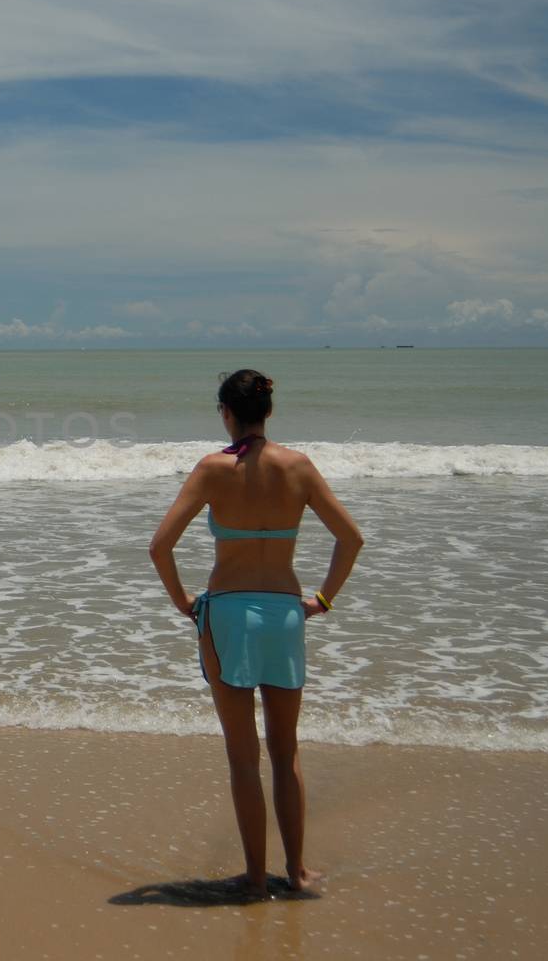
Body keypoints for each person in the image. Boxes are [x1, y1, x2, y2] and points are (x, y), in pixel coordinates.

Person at [148, 368, 363, 898]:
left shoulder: (213, 469)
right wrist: (323, 600)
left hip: (226, 616)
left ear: (226, 412)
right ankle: (297, 874)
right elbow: (351, 539)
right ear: (268, 411)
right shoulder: (299, 466)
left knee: (243, 757)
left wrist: (182, 602)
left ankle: (252, 878)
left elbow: (159, 546)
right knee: (285, 754)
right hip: (285, 614)